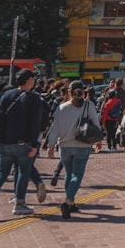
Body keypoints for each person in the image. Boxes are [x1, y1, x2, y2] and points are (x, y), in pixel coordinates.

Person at [0, 70, 43, 219]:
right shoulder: (34, 99)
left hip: (4, 142)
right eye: (33, 78)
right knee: (23, 171)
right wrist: (35, 144)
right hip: (24, 143)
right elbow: (35, 124)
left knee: (2, 172)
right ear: (29, 80)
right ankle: (19, 204)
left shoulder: (6, 95)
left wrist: (0, 138)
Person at [45, 80, 103, 219]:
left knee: (69, 174)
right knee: (77, 175)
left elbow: (55, 128)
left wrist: (51, 145)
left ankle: (71, 202)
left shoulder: (61, 107)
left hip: (64, 146)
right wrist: (98, 141)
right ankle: (68, 201)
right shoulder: (89, 106)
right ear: (83, 91)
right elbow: (96, 123)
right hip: (82, 145)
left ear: (69, 92)